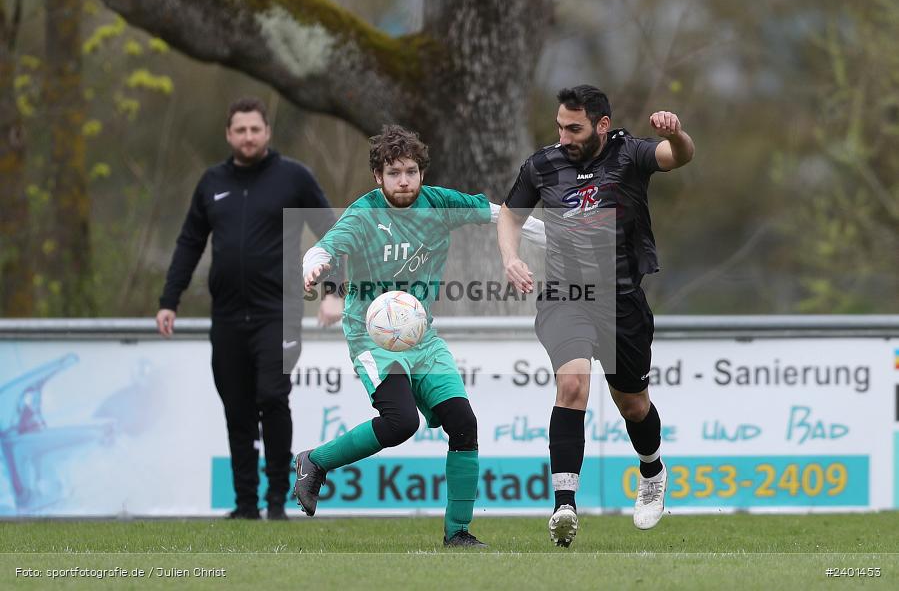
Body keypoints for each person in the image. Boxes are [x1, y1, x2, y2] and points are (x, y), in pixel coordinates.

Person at [296, 124, 545, 547]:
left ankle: (458, 534)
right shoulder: (363, 215)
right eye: (394, 173)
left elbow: (499, 213)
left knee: (464, 423)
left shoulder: (440, 203)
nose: (404, 180)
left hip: (422, 337)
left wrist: (557, 235)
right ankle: (314, 462)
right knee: (400, 423)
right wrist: (313, 267)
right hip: (372, 337)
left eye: (411, 171)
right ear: (378, 176)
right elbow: (324, 248)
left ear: (421, 173)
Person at [497, 85, 694, 547]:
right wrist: (510, 256)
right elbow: (510, 215)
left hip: (623, 301)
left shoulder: (629, 154)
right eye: (560, 126)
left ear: (601, 126)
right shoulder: (542, 165)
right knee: (572, 384)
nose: (564, 136)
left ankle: (652, 471)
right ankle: (564, 504)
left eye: (575, 128)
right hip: (565, 297)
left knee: (633, 405)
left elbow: (679, 156)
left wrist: (679, 132)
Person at [155, 97, 343, 520]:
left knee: (272, 397)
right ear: (228, 134)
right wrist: (170, 300)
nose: (248, 137)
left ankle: (277, 500)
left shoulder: (293, 178)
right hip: (226, 316)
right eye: (240, 130)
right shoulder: (211, 182)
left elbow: (332, 233)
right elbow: (189, 242)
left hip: (277, 312)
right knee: (237, 407)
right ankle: (245, 505)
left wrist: (334, 291)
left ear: (267, 132)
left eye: (255, 129)